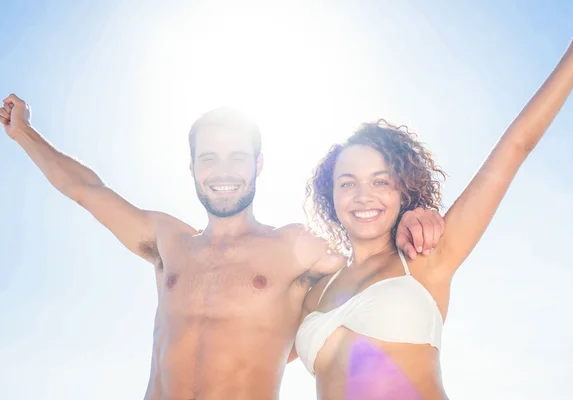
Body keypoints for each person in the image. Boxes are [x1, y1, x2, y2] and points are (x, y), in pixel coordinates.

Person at [0, 99, 444, 399]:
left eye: (237, 156)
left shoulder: (296, 247)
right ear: (192, 167)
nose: (223, 171)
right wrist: (23, 134)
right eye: (209, 157)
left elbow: (371, 265)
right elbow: (86, 189)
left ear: (259, 164)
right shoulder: (169, 241)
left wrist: (410, 214)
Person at [295, 4, 573, 399]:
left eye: (380, 181)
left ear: (403, 190)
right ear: (330, 196)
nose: (363, 196)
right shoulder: (314, 289)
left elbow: (515, 148)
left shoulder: (427, 257)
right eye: (347, 183)